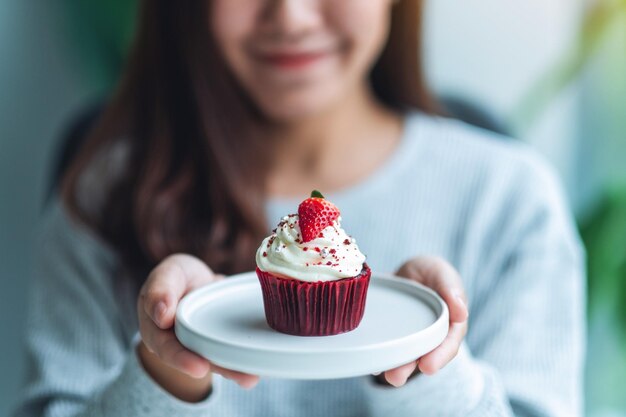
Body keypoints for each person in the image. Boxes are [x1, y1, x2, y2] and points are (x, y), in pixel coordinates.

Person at [13, 0, 585, 416]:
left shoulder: (509, 202)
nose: (290, 17)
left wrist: (420, 364)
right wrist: (167, 372)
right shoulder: (103, 200)